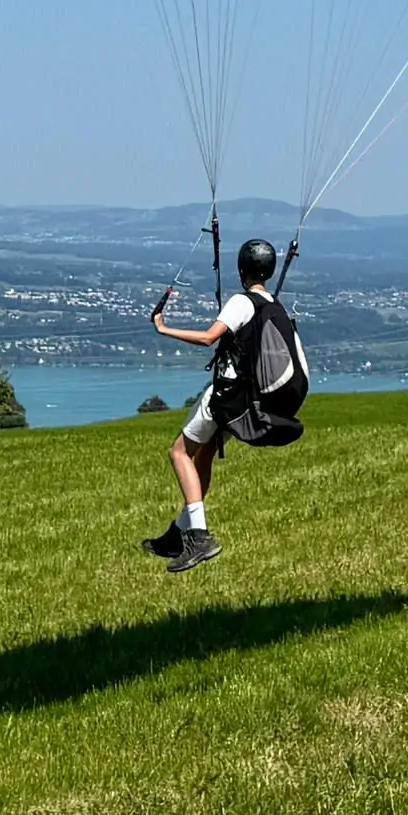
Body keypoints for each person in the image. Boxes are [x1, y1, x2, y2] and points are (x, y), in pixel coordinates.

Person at [142, 237, 278, 573]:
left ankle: (199, 536)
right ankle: (177, 534)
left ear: (242, 269)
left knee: (179, 453)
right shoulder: (274, 306)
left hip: (226, 394)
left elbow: (209, 337)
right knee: (202, 456)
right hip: (249, 399)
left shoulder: (242, 302)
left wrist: (164, 328)